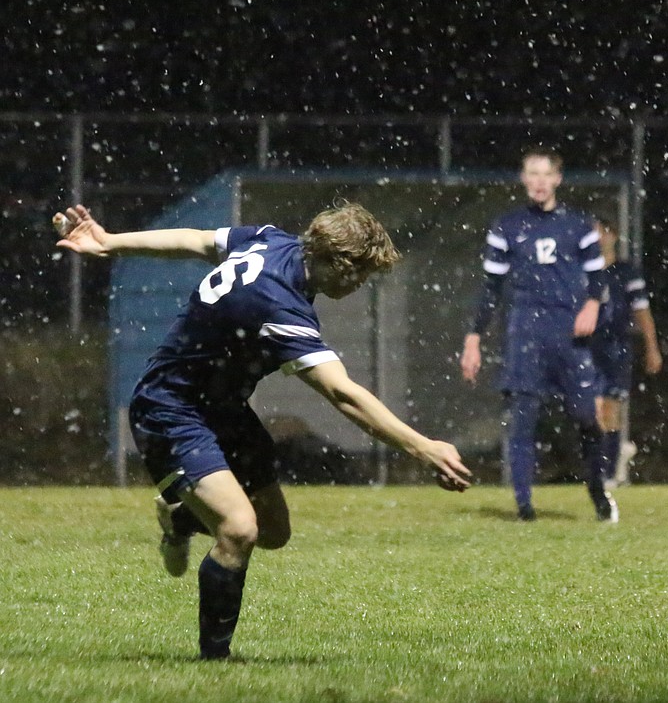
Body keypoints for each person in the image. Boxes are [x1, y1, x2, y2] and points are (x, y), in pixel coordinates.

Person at [53, 201, 472, 659]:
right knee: (238, 530)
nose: (361, 284)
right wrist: (421, 446)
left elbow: (195, 240)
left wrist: (112, 242)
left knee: (273, 532)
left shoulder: (272, 239)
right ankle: (215, 662)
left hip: (225, 408)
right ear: (331, 260)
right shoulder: (280, 306)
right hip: (170, 408)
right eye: (358, 274)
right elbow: (343, 394)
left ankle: (182, 517)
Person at [459, 147, 615, 523]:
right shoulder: (507, 226)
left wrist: (592, 304)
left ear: (558, 179)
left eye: (546, 174)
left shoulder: (577, 225)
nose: (539, 181)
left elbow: (599, 278)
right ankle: (525, 508)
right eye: (532, 173)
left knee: (584, 416)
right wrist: (474, 337)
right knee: (522, 420)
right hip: (525, 331)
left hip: (568, 333)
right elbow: (492, 288)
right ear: (523, 178)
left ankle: (598, 490)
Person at [592, 217, 664, 487]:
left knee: (610, 408)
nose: (597, 239)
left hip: (616, 347)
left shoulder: (626, 272)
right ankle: (607, 461)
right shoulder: (584, 270)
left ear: (612, 236)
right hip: (588, 347)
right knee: (592, 409)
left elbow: (642, 311)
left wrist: (652, 347)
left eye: (601, 233)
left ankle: (609, 471)